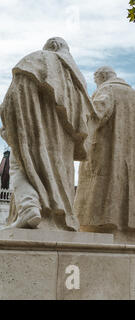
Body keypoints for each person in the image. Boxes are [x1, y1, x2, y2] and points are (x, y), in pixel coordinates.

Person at [0, 37, 93, 231]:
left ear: (51, 47)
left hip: (31, 130)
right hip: (62, 142)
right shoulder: (76, 79)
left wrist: (8, 123)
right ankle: (57, 217)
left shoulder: (36, 59)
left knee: (19, 165)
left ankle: (29, 206)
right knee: (59, 173)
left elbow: (13, 97)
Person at [74, 66, 135, 242]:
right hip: (132, 155)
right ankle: (131, 230)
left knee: (103, 187)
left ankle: (101, 225)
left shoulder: (107, 89)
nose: (96, 85)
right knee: (129, 188)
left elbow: (95, 113)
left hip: (106, 151)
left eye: (96, 82)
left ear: (101, 77)